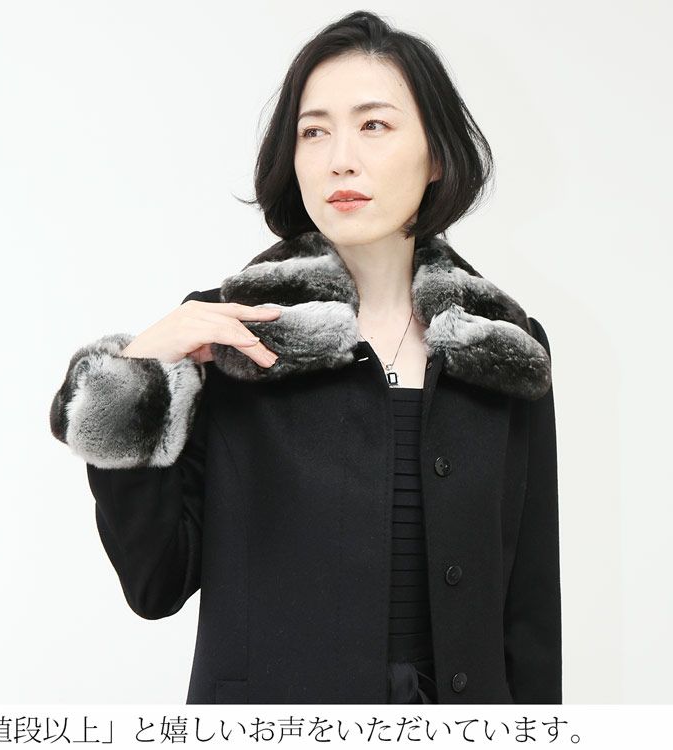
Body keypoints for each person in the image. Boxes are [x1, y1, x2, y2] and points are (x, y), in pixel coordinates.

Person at [49, 10, 561, 705]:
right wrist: (138, 380)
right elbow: (154, 584)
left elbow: (529, 608)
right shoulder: (230, 337)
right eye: (313, 131)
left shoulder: (500, 347)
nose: (339, 158)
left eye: (373, 125)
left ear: (436, 155)